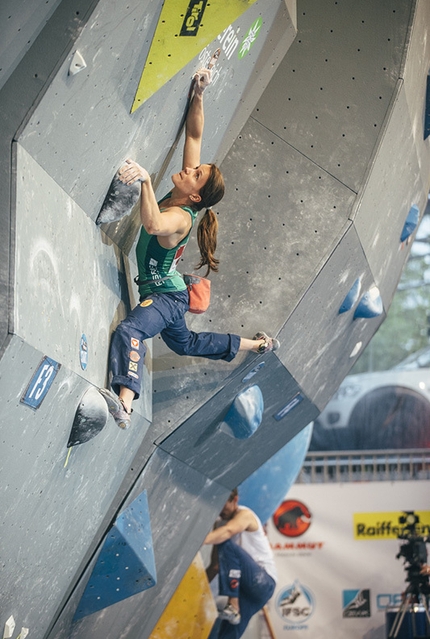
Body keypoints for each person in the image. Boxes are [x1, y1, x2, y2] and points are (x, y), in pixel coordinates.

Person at [99, 68, 279, 428]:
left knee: (130, 332)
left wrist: (147, 181)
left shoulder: (182, 216)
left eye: (196, 173)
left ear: (195, 194)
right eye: (195, 168)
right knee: (186, 344)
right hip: (173, 290)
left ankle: (124, 406)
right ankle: (256, 345)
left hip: (166, 297)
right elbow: (194, 134)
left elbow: (153, 224)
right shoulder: (187, 189)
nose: (190, 168)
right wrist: (199, 94)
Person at [204, 489, 277, 638]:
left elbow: (229, 531)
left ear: (235, 500)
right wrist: (198, 589)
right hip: (248, 592)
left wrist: (200, 540)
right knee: (227, 635)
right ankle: (234, 605)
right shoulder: (220, 525)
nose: (220, 511)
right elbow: (215, 566)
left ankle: (233, 603)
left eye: (224, 506)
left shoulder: (245, 515)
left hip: (263, 582)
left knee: (226, 544)